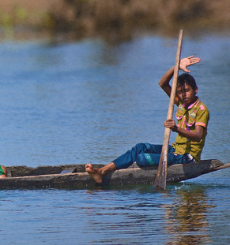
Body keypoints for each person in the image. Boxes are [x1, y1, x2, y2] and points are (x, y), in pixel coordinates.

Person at [85, 55, 209, 184]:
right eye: (180, 92)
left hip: (187, 157)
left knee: (142, 159)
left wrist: (176, 128)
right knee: (140, 147)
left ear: (195, 90)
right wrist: (176, 66)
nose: (184, 95)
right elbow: (162, 83)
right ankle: (102, 171)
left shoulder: (201, 110)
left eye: (187, 91)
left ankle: (106, 171)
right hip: (175, 149)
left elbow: (197, 136)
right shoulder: (181, 104)